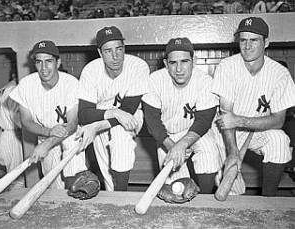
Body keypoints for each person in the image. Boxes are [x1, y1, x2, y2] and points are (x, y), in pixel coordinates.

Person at [212, 17, 295, 196]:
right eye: (243, 40)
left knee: (279, 141)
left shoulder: (280, 74)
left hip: (256, 130)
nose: (247, 46)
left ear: (266, 43)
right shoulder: (227, 66)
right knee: (233, 190)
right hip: (224, 132)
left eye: (254, 40)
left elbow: (278, 121)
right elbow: (227, 119)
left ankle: (269, 200)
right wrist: (233, 152)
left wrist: (239, 120)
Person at [142, 37, 221, 194]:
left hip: (196, 132)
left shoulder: (205, 81)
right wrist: (173, 147)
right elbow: (153, 122)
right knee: (176, 189)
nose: (179, 68)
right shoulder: (155, 80)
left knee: (209, 153)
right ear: (166, 64)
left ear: (194, 60)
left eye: (184, 61)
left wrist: (183, 144)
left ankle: (205, 201)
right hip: (166, 136)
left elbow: (204, 121)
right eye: (173, 63)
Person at [76, 26, 150, 191]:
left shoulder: (138, 66)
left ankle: (122, 195)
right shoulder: (91, 70)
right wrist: (113, 112)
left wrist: (96, 126)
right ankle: (115, 202)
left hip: (131, 117)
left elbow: (129, 110)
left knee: (120, 136)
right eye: (108, 51)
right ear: (100, 52)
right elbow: (83, 114)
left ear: (124, 48)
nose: (115, 56)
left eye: (119, 49)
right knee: (107, 173)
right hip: (101, 115)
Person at [9, 40, 88, 190]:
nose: (44, 68)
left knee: (71, 145)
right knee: (54, 188)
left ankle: (78, 185)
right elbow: (26, 121)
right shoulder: (26, 85)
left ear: (58, 63)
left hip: (69, 137)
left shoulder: (71, 83)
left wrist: (48, 142)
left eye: (49, 61)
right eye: (39, 62)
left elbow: (72, 124)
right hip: (45, 138)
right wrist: (48, 133)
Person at [0, 74, 24, 189]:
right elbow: (16, 118)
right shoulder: (15, 90)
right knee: (18, 179)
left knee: (9, 176)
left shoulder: (4, 88)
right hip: (13, 136)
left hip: (3, 135)